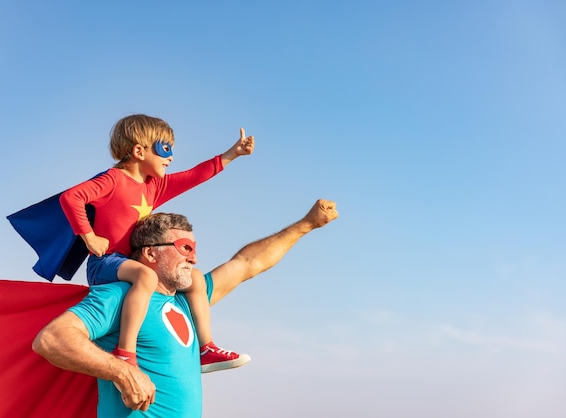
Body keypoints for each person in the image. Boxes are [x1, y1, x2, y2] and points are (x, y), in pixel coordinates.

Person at [33, 199, 339, 417]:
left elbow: (247, 264)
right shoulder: (120, 295)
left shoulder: (189, 301)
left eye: (194, 250)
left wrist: (306, 225)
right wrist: (122, 372)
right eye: (184, 249)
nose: (193, 259)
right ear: (150, 254)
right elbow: (52, 339)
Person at [59, 114, 254, 371]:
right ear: (139, 151)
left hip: (131, 263)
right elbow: (71, 197)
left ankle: (206, 349)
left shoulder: (155, 186)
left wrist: (233, 154)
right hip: (105, 263)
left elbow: (194, 176)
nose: (171, 156)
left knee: (193, 278)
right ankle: (125, 353)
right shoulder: (113, 180)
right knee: (146, 276)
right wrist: (89, 237)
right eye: (164, 148)